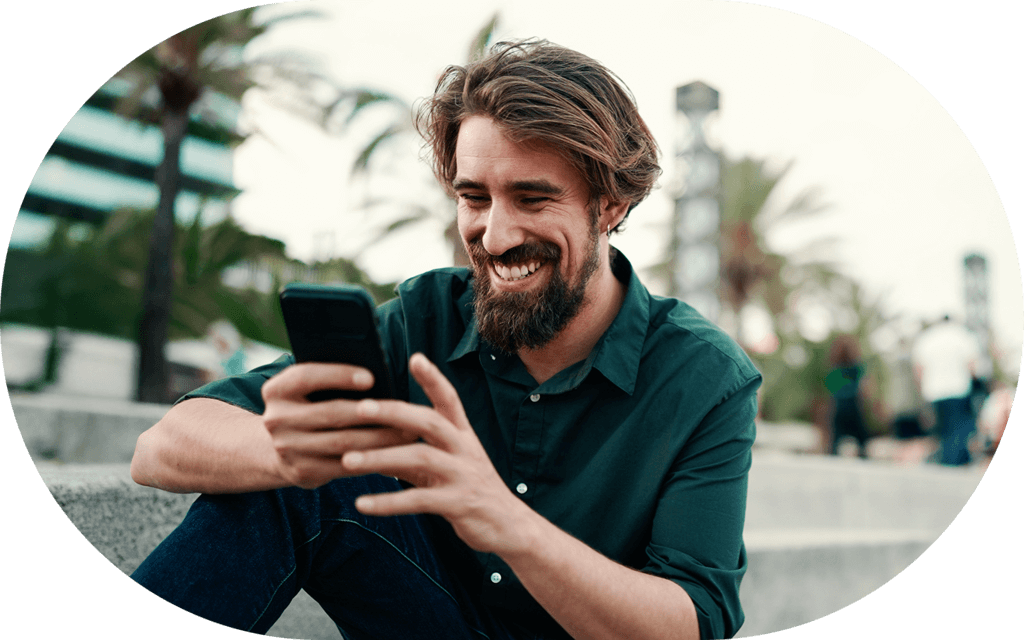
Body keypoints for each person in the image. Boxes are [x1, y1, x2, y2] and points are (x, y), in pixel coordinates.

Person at [129, 39, 761, 640]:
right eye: (474, 197)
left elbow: (693, 624)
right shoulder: (426, 316)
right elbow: (158, 451)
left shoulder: (705, 378)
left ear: (611, 204)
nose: (496, 234)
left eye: (532, 198)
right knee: (290, 482)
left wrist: (503, 520)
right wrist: (294, 454)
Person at [911, 315, 982, 466]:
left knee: (943, 430)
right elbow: (972, 365)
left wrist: (921, 392)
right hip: (958, 390)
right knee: (959, 428)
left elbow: (918, 370)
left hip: (934, 391)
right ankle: (953, 462)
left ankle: (948, 460)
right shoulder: (962, 335)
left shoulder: (926, 338)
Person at [823, 334, 871, 458]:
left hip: (839, 406)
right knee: (861, 437)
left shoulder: (834, 370)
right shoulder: (858, 369)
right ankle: (864, 456)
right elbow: (864, 389)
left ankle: (832, 456)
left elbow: (830, 391)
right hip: (854, 406)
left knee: (836, 439)